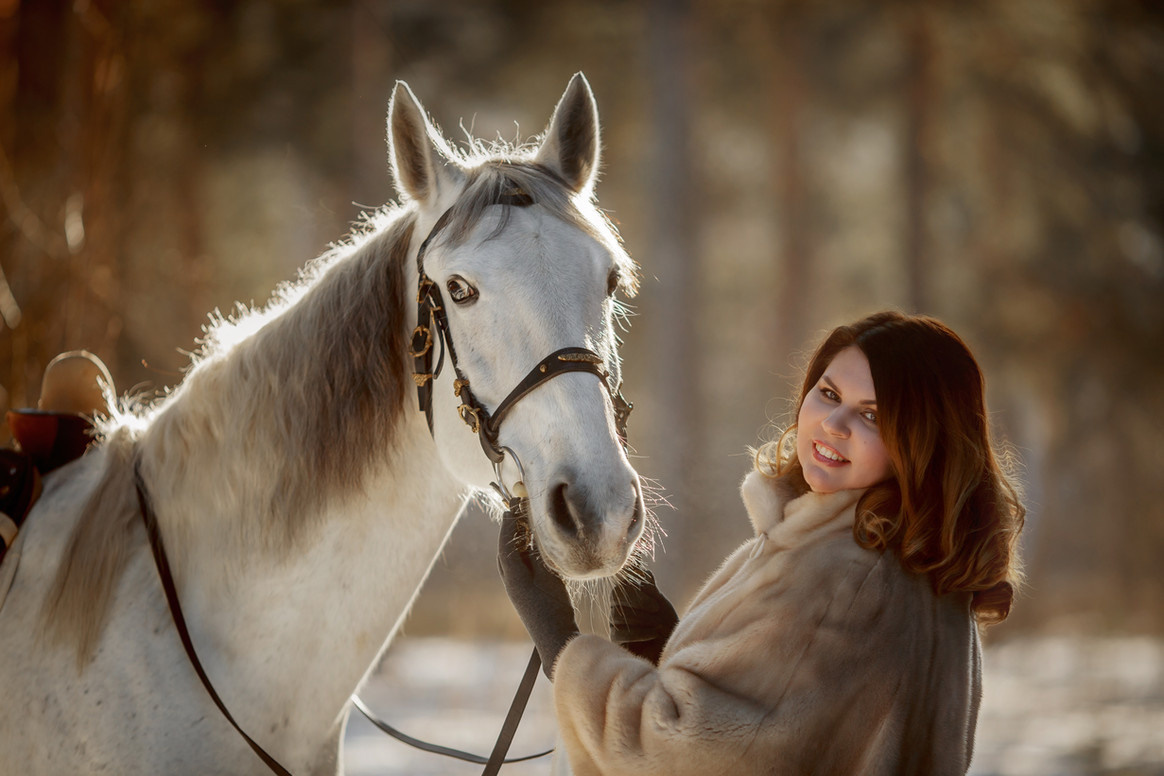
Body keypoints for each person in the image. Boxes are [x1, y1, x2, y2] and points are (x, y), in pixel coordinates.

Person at [499, 310, 1025, 776]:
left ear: (923, 440)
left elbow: (675, 763)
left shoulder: (842, 579)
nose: (834, 424)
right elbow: (788, 735)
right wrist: (658, 651)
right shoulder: (916, 567)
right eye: (829, 394)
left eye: (872, 415)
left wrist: (561, 646)